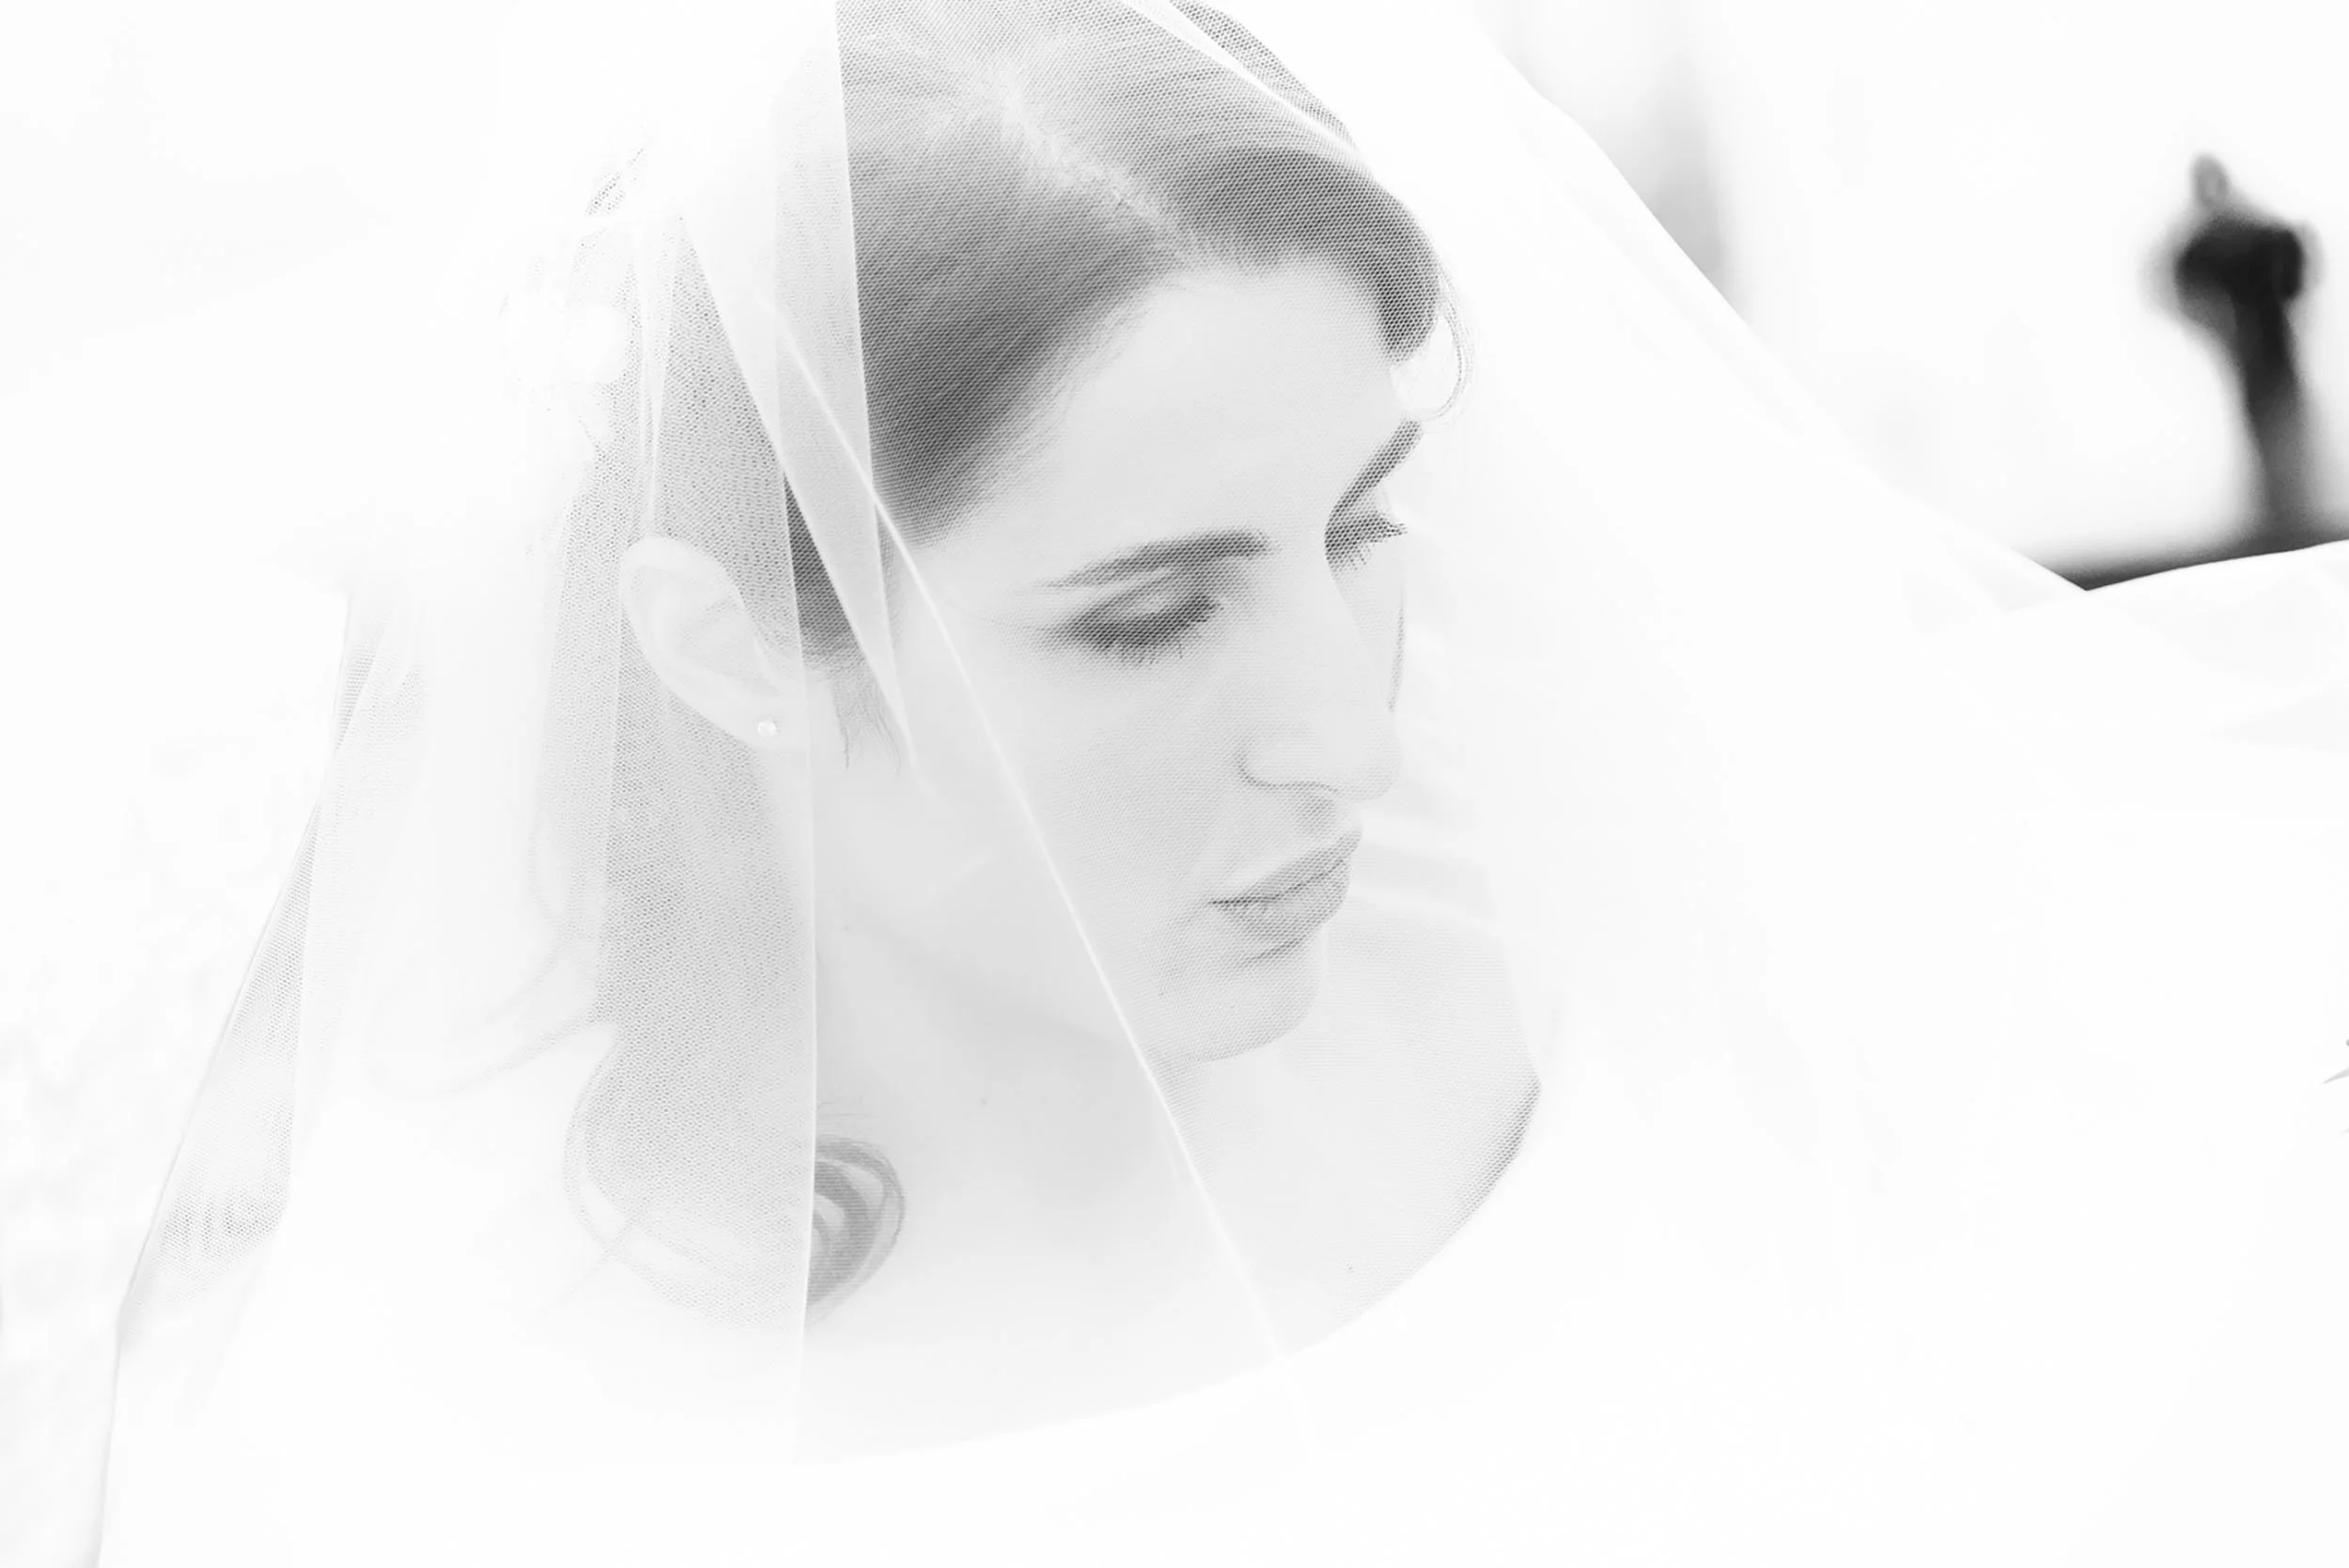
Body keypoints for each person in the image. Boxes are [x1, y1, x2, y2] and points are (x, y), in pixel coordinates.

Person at [37, 2, 2349, 1563]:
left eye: (1363, 525)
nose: (1345, 725)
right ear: (726, 636)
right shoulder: (476, 1435)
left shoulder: (1651, 961)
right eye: (1148, 614)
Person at [2170, 154, 2323, 548]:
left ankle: (2288, 517)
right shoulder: (2216, 240)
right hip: (2250, 354)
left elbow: (2293, 263)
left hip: (2268, 351)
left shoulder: (2249, 232)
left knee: (2282, 429)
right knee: (2271, 430)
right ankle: (2281, 518)